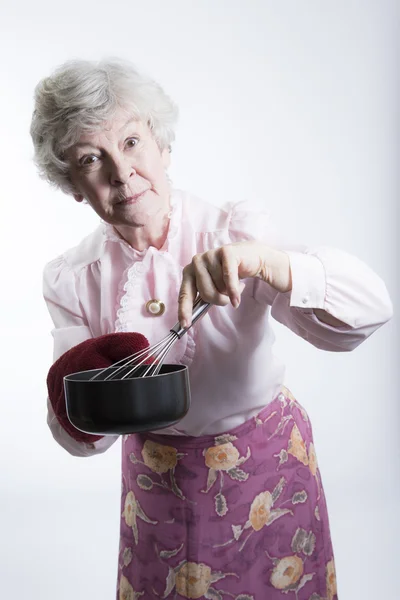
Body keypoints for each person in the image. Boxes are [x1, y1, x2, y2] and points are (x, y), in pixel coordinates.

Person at [31, 58, 393, 600]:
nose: (120, 171)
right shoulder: (70, 279)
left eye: (131, 142)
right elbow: (82, 440)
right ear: (74, 187)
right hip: (157, 479)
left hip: (265, 468)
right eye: (91, 158)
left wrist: (270, 264)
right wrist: (82, 388)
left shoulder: (234, 232)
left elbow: (372, 308)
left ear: (163, 145)